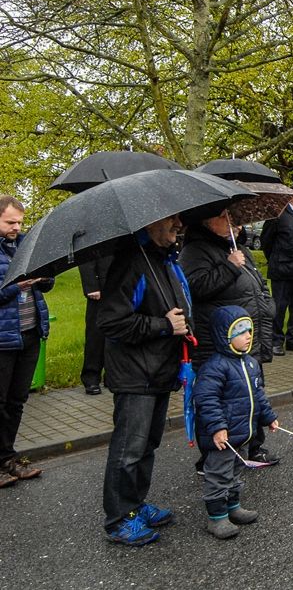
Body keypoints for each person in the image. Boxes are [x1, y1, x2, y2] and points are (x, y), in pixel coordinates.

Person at [97, 213, 191, 546]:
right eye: (171, 220)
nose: (178, 225)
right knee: (129, 449)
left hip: (159, 370)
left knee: (147, 445)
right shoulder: (131, 262)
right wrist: (163, 326)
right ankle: (119, 519)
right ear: (150, 223)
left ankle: (135, 505)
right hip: (135, 373)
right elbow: (111, 323)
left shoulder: (163, 259)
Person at [179, 208, 278, 469]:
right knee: (221, 399)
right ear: (206, 221)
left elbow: (259, 283)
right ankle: (214, 458)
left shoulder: (238, 248)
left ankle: (253, 446)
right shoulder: (195, 251)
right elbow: (195, 289)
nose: (234, 224)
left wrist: (268, 306)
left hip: (247, 339)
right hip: (219, 344)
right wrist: (229, 266)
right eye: (224, 218)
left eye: (234, 219)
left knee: (250, 393)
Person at [193, 306, 279, 540]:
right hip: (223, 438)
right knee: (218, 475)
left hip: (242, 435)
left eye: (249, 330)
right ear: (224, 336)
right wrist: (217, 428)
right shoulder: (214, 367)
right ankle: (217, 518)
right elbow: (206, 400)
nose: (248, 335)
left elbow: (258, 394)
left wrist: (268, 417)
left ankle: (233, 507)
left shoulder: (250, 363)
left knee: (235, 472)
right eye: (240, 331)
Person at [0, 196, 52, 488]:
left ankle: (8, 458)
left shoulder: (25, 245)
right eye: (10, 222)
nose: (17, 228)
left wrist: (44, 278)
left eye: (20, 222)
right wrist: (14, 287)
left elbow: (49, 283)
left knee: (17, 401)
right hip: (3, 338)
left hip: (30, 333)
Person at [260, 183, 293, 355]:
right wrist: (277, 259)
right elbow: (266, 241)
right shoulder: (278, 215)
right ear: (291, 197)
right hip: (283, 270)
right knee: (279, 307)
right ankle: (276, 341)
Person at [79, 255, 113, 395]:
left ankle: (111, 375)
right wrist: (91, 285)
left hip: (120, 285)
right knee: (95, 335)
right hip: (99, 287)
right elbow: (85, 256)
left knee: (118, 332)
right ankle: (91, 377)